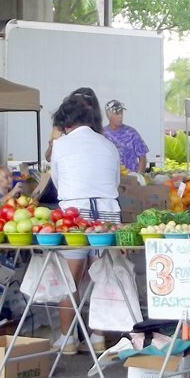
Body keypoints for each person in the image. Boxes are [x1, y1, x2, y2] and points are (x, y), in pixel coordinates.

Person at [49, 91, 121, 354]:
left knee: (71, 278)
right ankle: (99, 337)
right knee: (101, 275)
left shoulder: (60, 145)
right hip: (107, 210)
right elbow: (115, 183)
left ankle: (67, 339)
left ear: (66, 121)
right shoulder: (108, 144)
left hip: (73, 212)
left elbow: (57, 182)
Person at [103, 99, 148, 174]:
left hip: (130, 178)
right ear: (108, 115)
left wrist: (139, 176)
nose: (120, 116)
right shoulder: (102, 134)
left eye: (121, 113)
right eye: (117, 114)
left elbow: (142, 158)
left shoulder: (131, 133)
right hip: (110, 177)